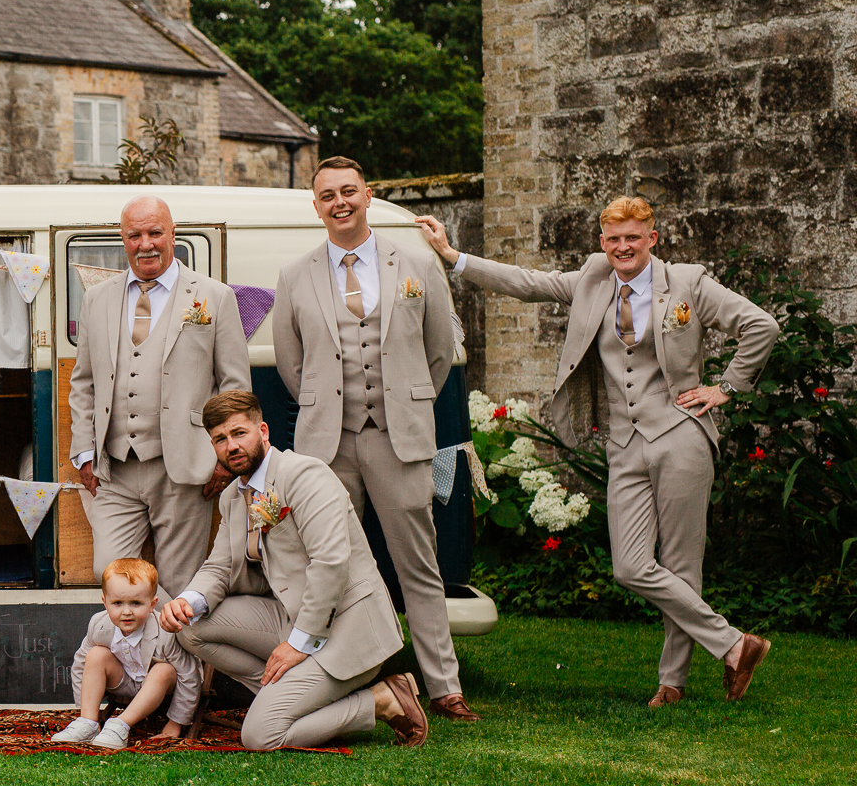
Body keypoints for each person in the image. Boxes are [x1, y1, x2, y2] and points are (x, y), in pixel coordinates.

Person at [416, 197, 780, 706]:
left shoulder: (689, 283)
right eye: (613, 238)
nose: (622, 247)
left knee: (681, 565)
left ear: (652, 238)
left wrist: (726, 388)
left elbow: (761, 326)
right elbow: (529, 283)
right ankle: (735, 645)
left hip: (681, 435)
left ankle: (671, 683)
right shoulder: (592, 278)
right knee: (630, 566)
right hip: (624, 443)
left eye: (633, 237)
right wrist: (454, 257)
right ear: (602, 241)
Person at [272, 155, 474, 722]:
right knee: (326, 564)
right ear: (316, 207)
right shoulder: (295, 276)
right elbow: (293, 365)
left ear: (367, 196)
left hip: (398, 438)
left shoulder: (414, 262)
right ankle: (332, 679)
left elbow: (439, 351)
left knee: (418, 563)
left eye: (349, 192)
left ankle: (444, 687)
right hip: (327, 445)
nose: (340, 202)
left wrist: (405, 401)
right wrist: (329, 406)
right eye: (328, 195)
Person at [160, 390, 430, 751]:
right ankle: (290, 696)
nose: (231, 446)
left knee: (259, 735)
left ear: (264, 431)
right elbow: (220, 566)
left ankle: (381, 699)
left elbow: (331, 563)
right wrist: (187, 601)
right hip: (289, 616)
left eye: (239, 433)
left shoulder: (306, 475)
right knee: (190, 629)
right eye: (220, 440)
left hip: (344, 628)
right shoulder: (232, 497)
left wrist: (298, 644)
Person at [69, 195, 250, 597]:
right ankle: (135, 660)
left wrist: (226, 457)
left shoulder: (214, 296)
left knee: (179, 582)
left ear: (172, 234)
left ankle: (176, 662)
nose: (145, 244)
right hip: (114, 469)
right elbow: (83, 382)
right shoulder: (98, 298)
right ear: (123, 239)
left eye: (155, 232)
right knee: (112, 574)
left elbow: (235, 389)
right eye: (135, 235)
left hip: (185, 468)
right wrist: (83, 451)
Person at [52, 557, 201, 750]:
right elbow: (81, 666)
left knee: (163, 669)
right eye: (118, 603)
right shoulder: (99, 624)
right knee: (95, 655)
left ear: (152, 604)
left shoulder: (165, 631)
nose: (126, 611)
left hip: (158, 689)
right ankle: (88, 723)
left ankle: (120, 724)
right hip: (122, 683)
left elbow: (189, 676)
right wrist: (85, 709)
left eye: (136, 603)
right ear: (105, 602)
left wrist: (175, 724)